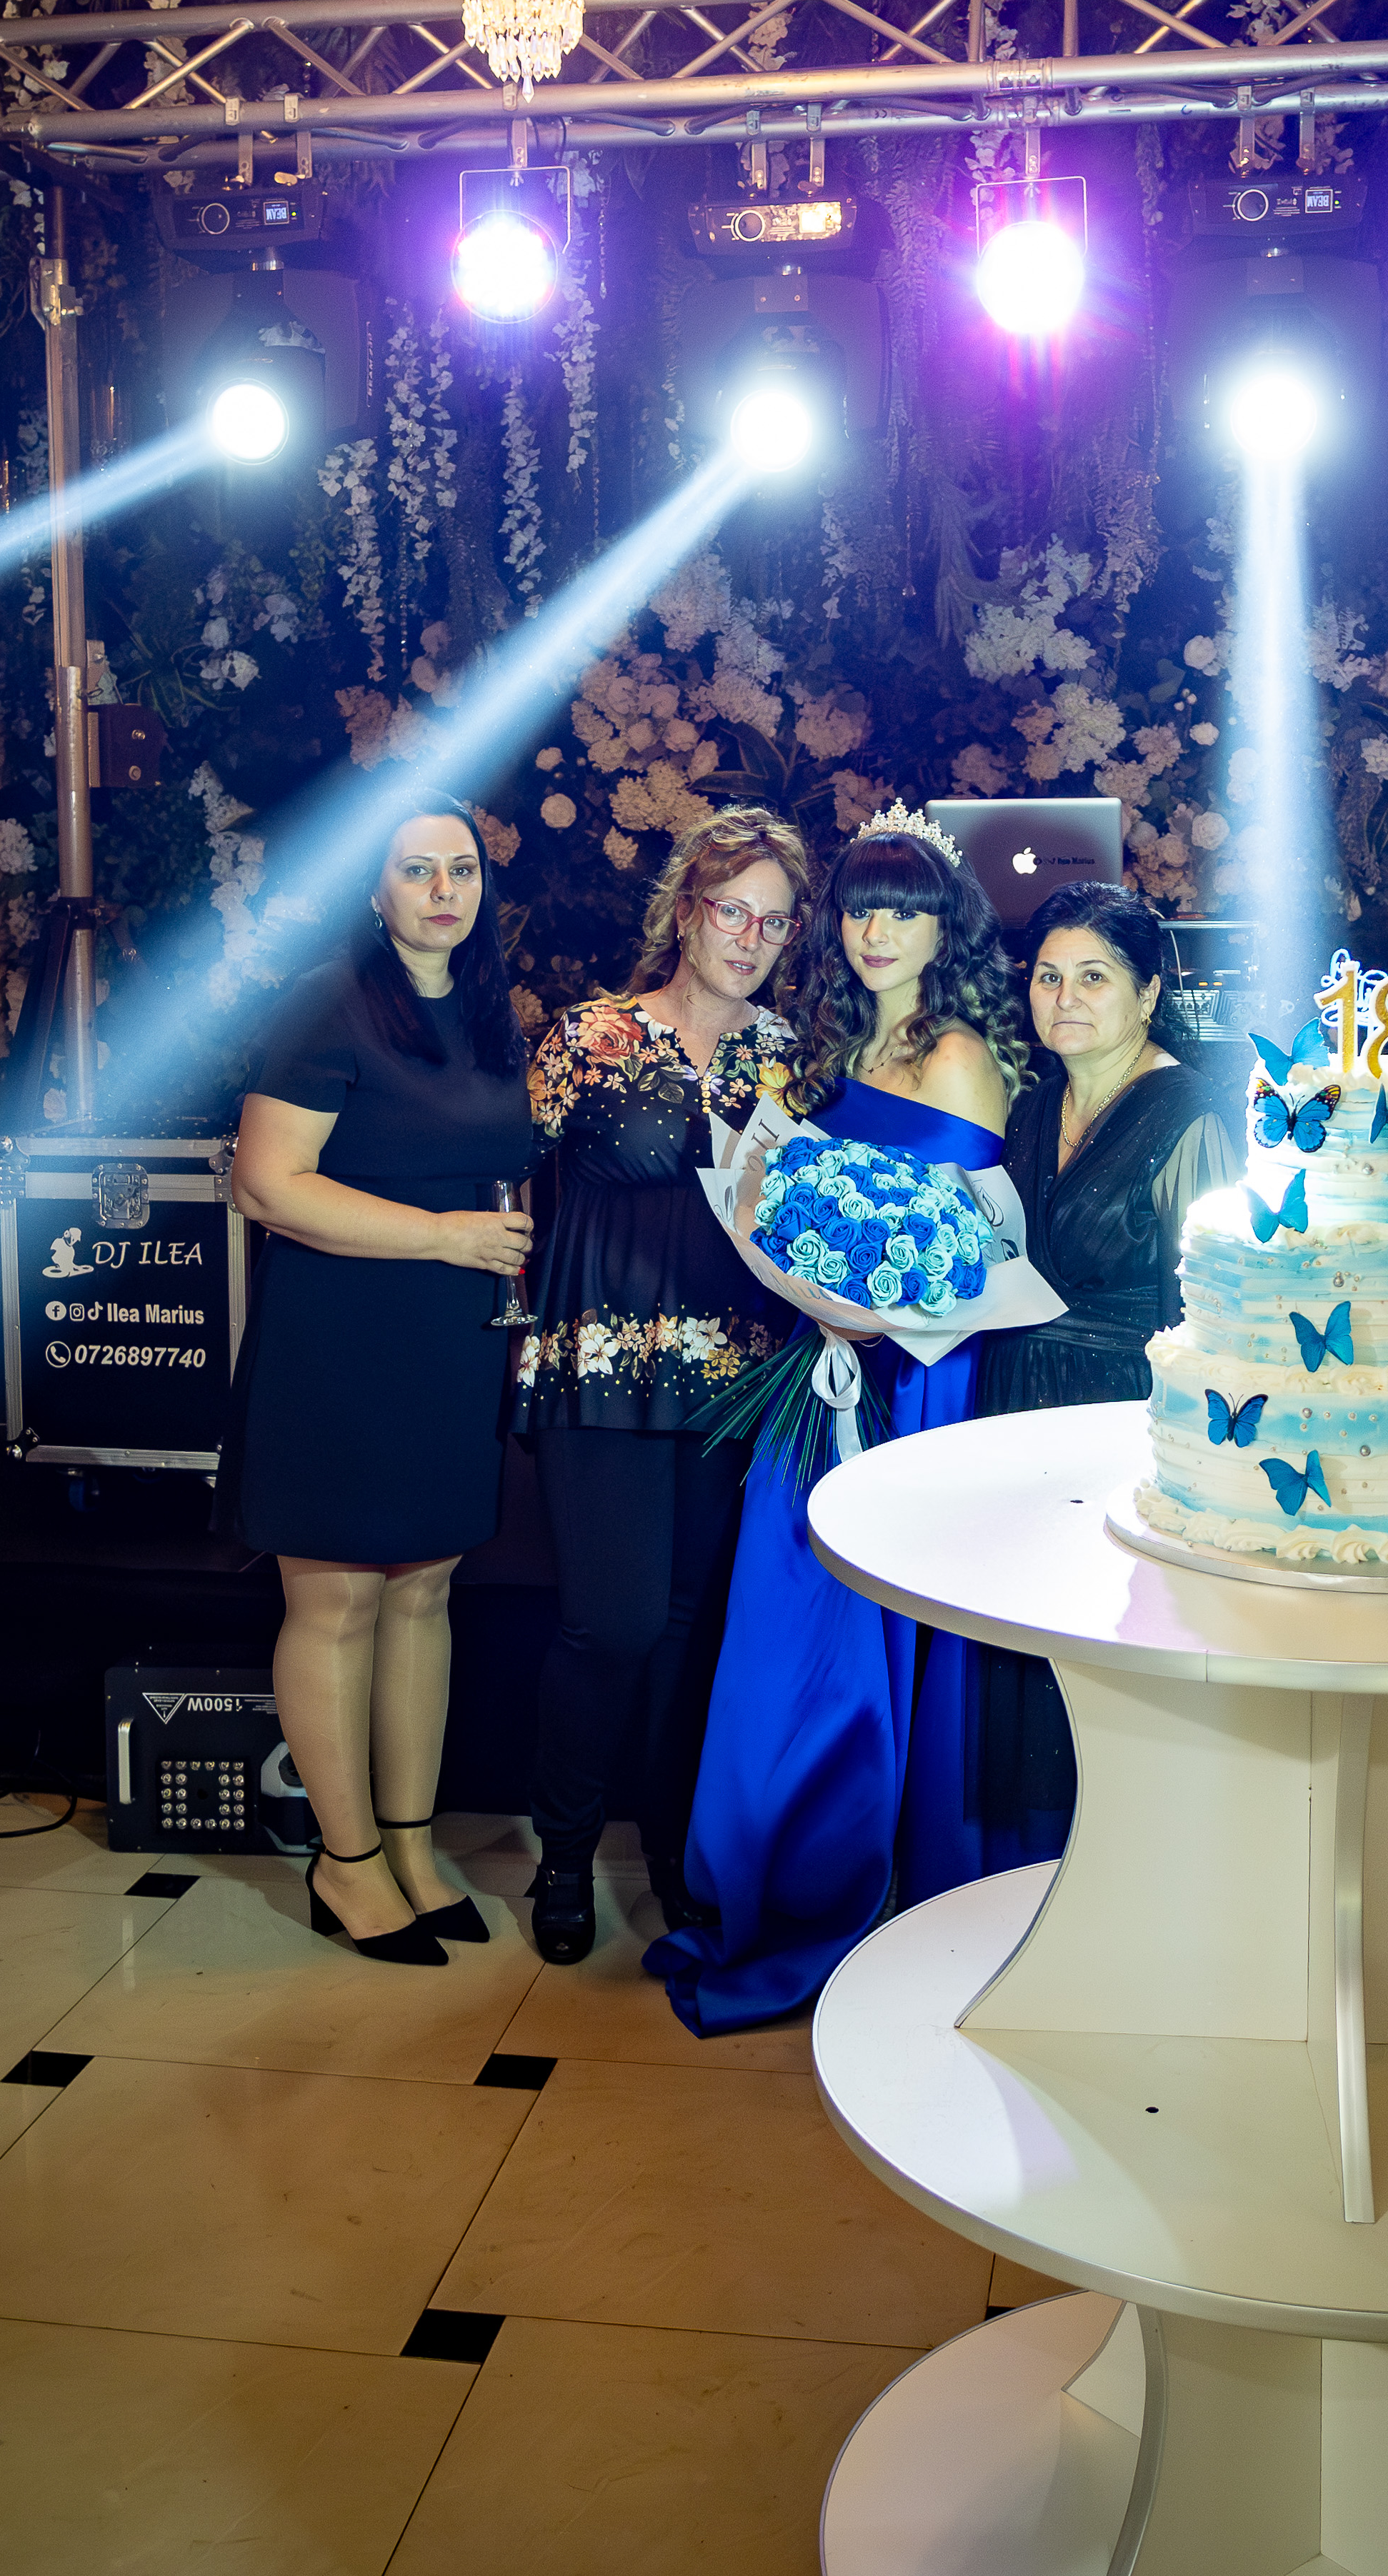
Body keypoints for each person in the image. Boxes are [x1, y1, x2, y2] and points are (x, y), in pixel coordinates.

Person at [646, 802, 1032, 2038]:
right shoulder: (822, 1048)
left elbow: (978, 1245)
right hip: (820, 1371)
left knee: (873, 1638)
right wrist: (812, 1288)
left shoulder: (958, 1053)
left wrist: (878, 1312)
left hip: (915, 1381)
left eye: (904, 910)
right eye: (862, 908)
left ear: (943, 928)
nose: (878, 931)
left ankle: (880, 1896)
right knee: (784, 1625)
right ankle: (780, 1881)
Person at [220, 796, 533, 1965]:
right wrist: (446, 1237)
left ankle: (410, 1847)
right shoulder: (328, 1001)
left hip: (450, 1342)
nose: (444, 890)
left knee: (423, 1595)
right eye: (416, 870)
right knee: (337, 1602)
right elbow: (267, 1183)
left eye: (462, 870)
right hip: (337, 1340)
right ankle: (342, 1863)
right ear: (374, 888)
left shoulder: (490, 1011)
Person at [513, 804, 813, 1966]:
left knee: (690, 1631)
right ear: (685, 911)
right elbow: (500, 1175)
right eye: (733, 911)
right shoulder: (589, 1037)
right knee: (613, 1623)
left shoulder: (783, 1056)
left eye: (773, 923)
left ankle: (674, 1850)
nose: (750, 938)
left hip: (731, 1377)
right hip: (599, 1364)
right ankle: (562, 1853)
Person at [971, 883, 1239, 1850]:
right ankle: (1028, 1873)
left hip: (1123, 1421)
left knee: (1110, 1653)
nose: (1065, 998)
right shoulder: (1031, 1104)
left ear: (1148, 992)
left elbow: (1215, 1317)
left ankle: (1130, 1868)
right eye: (1048, 977)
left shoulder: (1190, 1114)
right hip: (1015, 1408)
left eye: (1093, 977)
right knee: (1027, 1646)